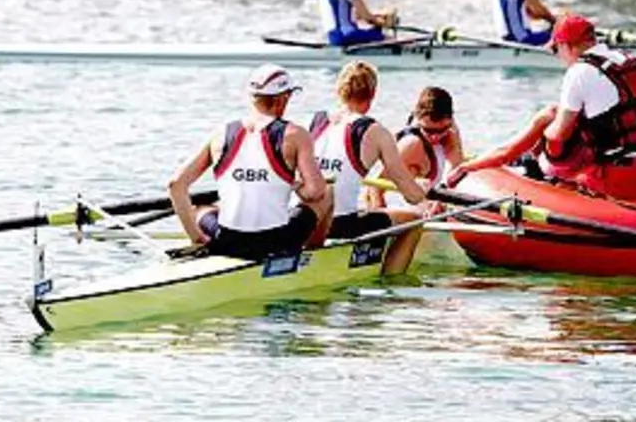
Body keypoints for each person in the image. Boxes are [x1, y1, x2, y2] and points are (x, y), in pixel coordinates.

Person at [449, 14, 636, 202]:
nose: (558, 57)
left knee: (550, 120)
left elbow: (558, 135)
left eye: (555, 50)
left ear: (566, 45)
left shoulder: (579, 72)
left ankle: (530, 168)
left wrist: (542, 128)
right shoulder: (630, 61)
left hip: (625, 181)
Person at [167, 64, 334, 259]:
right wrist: (295, 184)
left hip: (226, 242)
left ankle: (199, 244)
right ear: (283, 98)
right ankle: (314, 256)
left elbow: (175, 185)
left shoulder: (221, 133)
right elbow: (315, 192)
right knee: (328, 193)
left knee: (200, 209)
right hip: (276, 241)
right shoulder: (295, 134)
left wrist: (196, 237)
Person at [308, 60, 431, 272]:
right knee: (414, 221)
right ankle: (392, 285)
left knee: (367, 209)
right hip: (338, 223)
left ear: (340, 90)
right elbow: (412, 196)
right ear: (372, 94)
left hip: (303, 218)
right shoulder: (376, 132)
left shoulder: (318, 120)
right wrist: (423, 189)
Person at [364, 86, 464, 211]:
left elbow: (456, 170)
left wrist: (440, 200)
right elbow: (374, 189)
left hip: (428, 208)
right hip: (401, 211)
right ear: (418, 119)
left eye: (441, 130)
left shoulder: (451, 131)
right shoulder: (412, 144)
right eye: (429, 130)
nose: (435, 137)